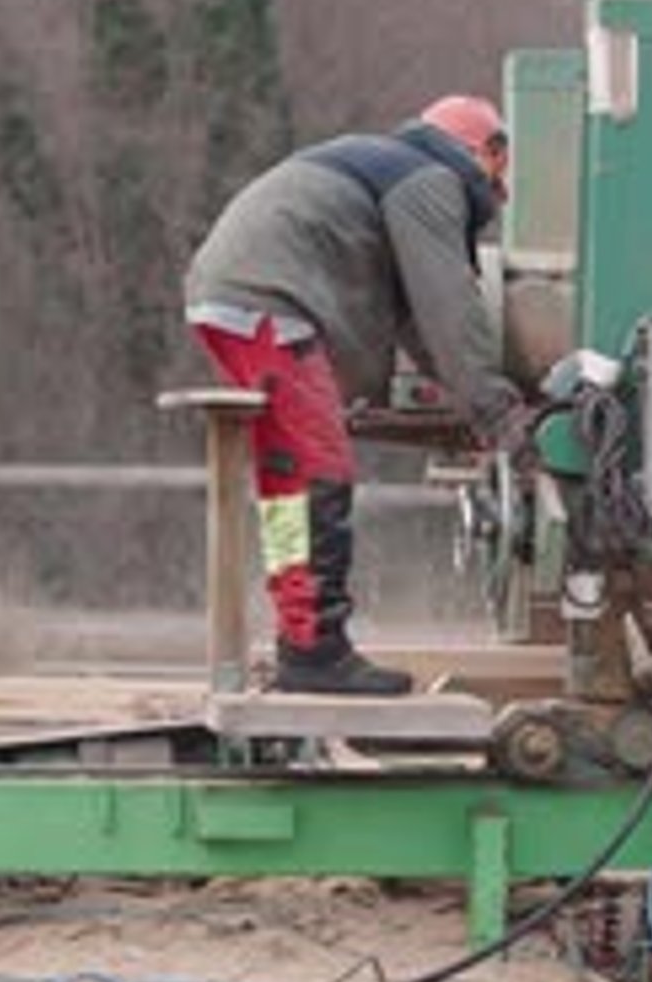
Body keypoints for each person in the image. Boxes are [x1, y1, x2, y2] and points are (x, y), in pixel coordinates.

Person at [184, 94, 534, 696]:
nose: (497, 198)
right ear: (487, 153)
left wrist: (469, 396)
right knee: (318, 471)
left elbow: (421, 324)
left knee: (288, 483)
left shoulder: (383, 165)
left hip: (236, 296)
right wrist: (500, 413)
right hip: (272, 297)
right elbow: (449, 306)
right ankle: (314, 653)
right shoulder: (430, 179)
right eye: (500, 177)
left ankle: (301, 640)